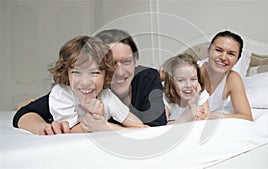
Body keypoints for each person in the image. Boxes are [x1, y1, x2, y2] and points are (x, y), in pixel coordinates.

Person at [13, 29, 167, 135]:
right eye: (112, 62)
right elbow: (25, 113)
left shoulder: (146, 77)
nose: (119, 71)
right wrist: (45, 127)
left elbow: (154, 128)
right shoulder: (69, 92)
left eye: (126, 61)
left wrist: (104, 127)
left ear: (135, 61)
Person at [48, 35, 146, 133]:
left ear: (106, 74)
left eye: (94, 73)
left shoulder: (106, 96)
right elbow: (69, 131)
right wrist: (97, 120)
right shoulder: (61, 93)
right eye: (76, 72)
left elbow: (141, 127)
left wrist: (105, 126)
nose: (85, 82)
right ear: (66, 73)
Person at [198, 30, 253, 121]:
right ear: (208, 51)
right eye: (218, 50)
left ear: (237, 60)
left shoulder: (232, 79)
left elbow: (247, 117)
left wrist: (219, 116)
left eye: (231, 54)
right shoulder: (190, 70)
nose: (223, 58)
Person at [162, 54, 210, 124]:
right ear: (171, 82)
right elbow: (161, 127)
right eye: (181, 80)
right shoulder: (163, 96)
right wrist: (188, 116)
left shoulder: (198, 90)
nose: (188, 85)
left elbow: (206, 120)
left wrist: (193, 104)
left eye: (193, 79)